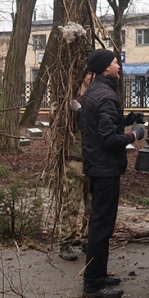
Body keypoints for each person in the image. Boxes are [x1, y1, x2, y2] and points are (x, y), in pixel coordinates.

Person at [79, 49, 145, 298]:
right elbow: (108, 138)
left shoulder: (95, 91)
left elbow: (101, 125)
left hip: (97, 166)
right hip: (105, 169)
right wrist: (135, 135)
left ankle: (98, 273)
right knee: (101, 225)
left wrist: (126, 119)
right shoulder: (106, 95)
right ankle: (93, 284)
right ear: (106, 67)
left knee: (100, 224)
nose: (119, 66)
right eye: (116, 62)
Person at [57, 71, 94, 262]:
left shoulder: (98, 95)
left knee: (92, 203)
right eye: (90, 73)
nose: (93, 77)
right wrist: (74, 108)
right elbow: (61, 121)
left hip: (93, 159)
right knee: (71, 201)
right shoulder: (71, 99)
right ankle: (66, 242)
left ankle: (88, 239)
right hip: (75, 157)